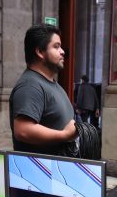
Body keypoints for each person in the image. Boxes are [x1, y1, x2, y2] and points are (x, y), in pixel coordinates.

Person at [10, 24, 76, 156]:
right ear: (40, 52)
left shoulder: (50, 83)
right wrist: (64, 135)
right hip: (41, 173)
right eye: (56, 46)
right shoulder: (30, 85)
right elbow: (23, 130)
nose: (62, 51)